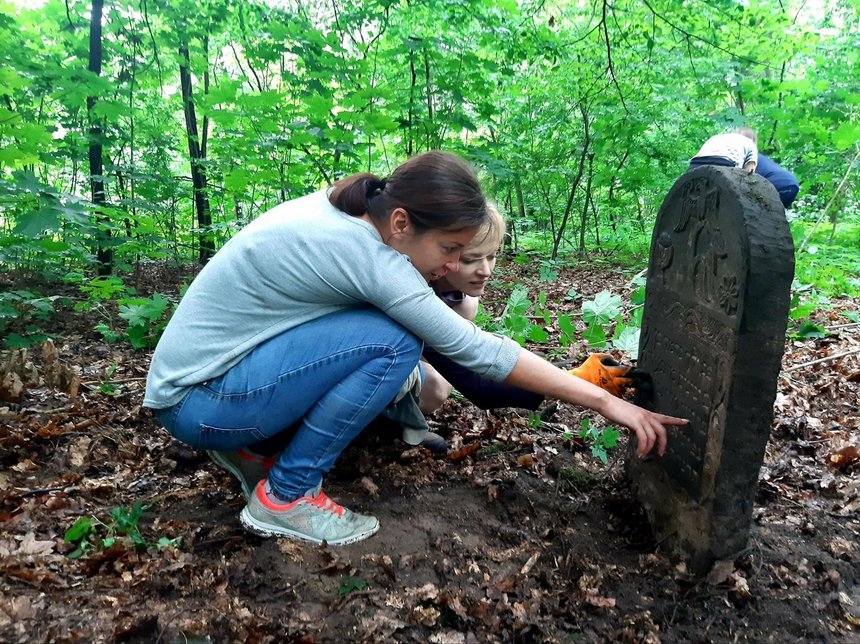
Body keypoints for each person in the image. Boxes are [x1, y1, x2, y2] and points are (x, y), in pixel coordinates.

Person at [144, 150, 687, 546]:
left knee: (390, 338)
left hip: (200, 387)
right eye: (450, 249)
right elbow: (478, 353)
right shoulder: (368, 257)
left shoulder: (341, 214)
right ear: (401, 223)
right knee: (394, 341)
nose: (453, 265)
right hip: (201, 402)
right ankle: (286, 497)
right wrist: (603, 400)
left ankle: (252, 449)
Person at [689, 127, 758, 173]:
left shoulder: (718, 137)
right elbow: (749, 171)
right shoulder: (751, 144)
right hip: (723, 162)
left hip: (696, 162)